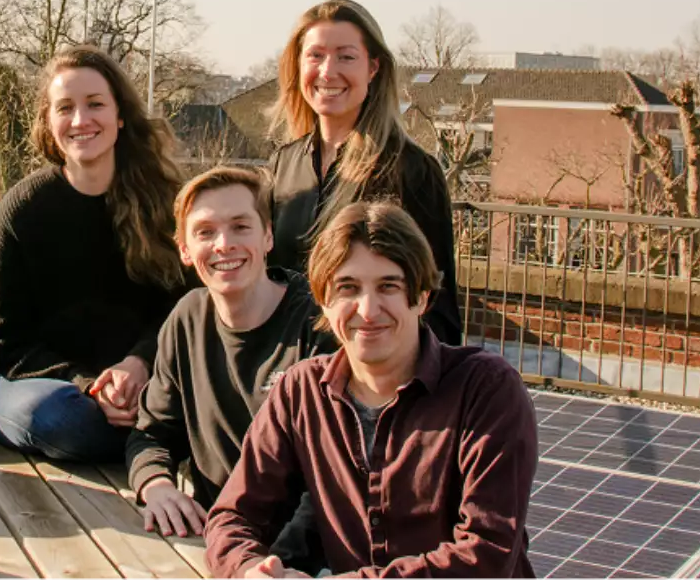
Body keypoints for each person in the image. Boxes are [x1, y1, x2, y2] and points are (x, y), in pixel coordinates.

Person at [203, 201, 537, 580]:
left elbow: (485, 555)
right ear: (324, 301)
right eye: (347, 287)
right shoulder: (301, 392)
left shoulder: (486, 390)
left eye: (388, 286)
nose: (367, 309)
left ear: (422, 296)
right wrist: (249, 570)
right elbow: (232, 517)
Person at [0, 46, 188, 462]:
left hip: (138, 379)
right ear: (49, 121)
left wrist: (139, 363)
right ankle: (149, 436)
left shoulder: (164, 203)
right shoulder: (25, 206)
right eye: (65, 108)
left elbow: (184, 305)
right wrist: (87, 382)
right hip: (38, 385)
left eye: (95, 105)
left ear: (120, 115)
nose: (80, 120)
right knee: (61, 419)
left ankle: (145, 429)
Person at [125, 166, 327, 572]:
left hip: (306, 555)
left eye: (240, 226)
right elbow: (151, 433)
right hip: (213, 542)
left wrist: (267, 563)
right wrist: (157, 485)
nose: (224, 244)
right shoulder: (187, 320)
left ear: (267, 236)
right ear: (183, 249)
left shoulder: (317, 325)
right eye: (205, 232)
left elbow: (330, 479)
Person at [264, 0, 462, 347]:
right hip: (290, 378)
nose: (328, 71)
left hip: (368, 380)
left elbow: (438, 307)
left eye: (346, 56)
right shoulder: (284, 164)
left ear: (373, 68)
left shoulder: (411, 171)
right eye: (315, 55)